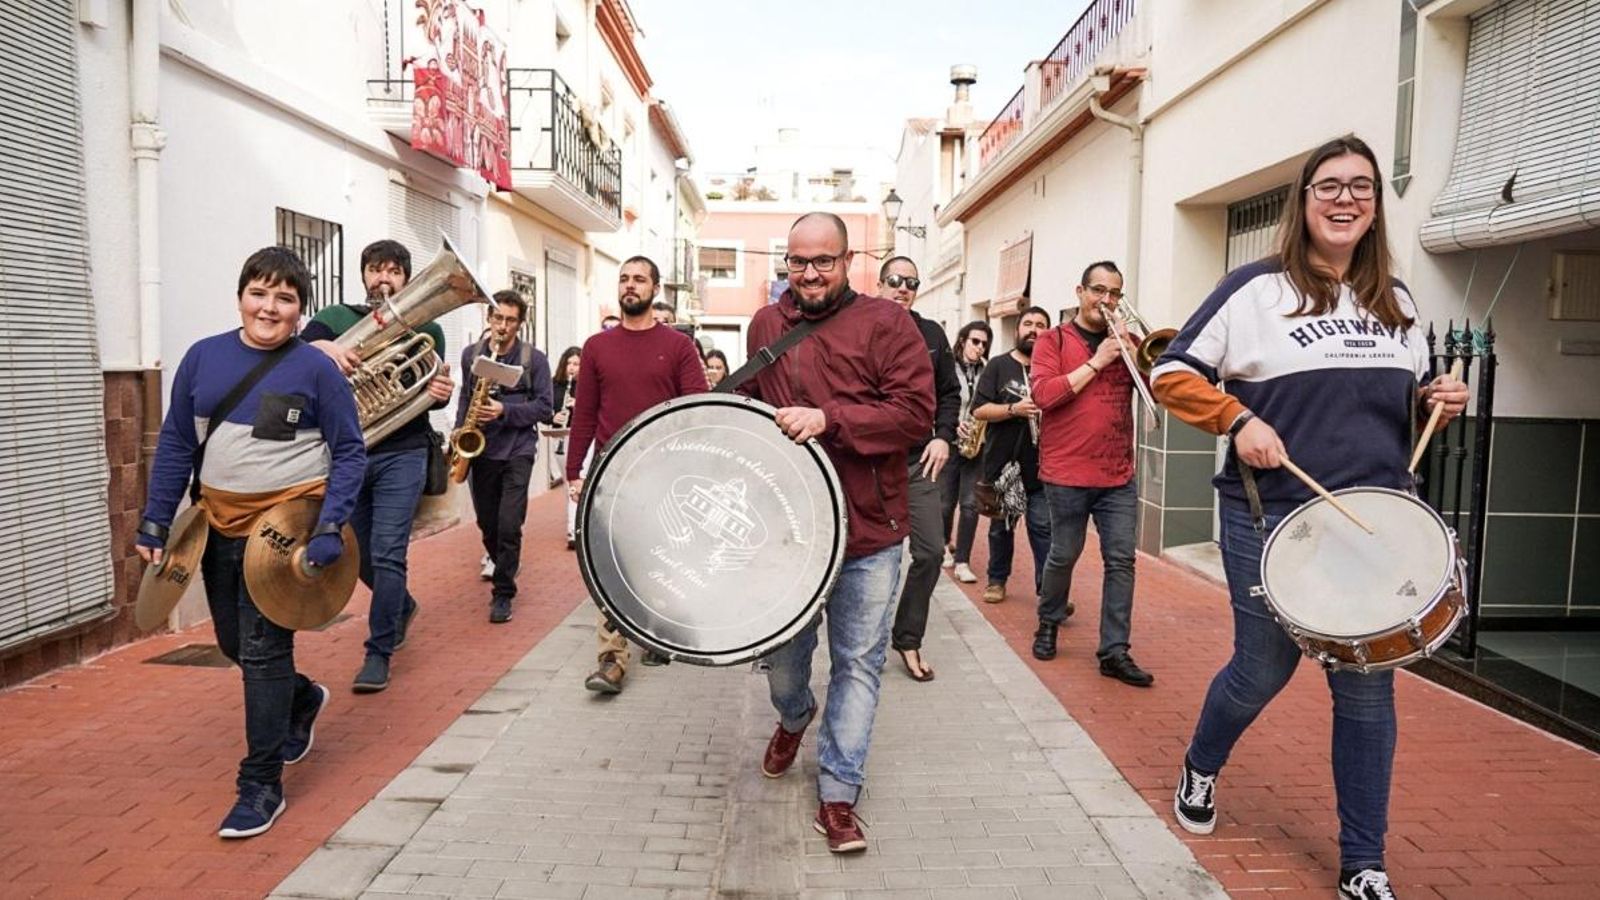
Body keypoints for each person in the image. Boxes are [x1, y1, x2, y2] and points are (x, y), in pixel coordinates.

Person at [1150, 136, 1468, 900]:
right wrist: (1236, 420)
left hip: (1373, 524)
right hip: (1273, 517)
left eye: (1361, 186)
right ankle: (1201, 764)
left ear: (1375, 205)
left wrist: (1438, 404)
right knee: (1263, 668)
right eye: (1329, 186)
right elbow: (1169, 371)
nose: (1345, 199)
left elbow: (1407, 404)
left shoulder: (1399, 301)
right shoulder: (1254, 288)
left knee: (1366, 690)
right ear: (1305, 200)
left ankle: (1365, 863)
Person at [135, 247, 365, 838]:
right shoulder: (202, 358)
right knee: (235, 645)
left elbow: (349, 451)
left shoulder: (317, 370)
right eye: (259, 293)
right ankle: (301, 697)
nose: (269, 307)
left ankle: (260, 783)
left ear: (299, 310)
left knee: (262, 653)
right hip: (216, 527)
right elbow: (178, 445)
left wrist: (331, 525)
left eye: (284, 298)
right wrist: (156, 520)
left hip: (285, 533)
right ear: (241, 296)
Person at [744, 213, 934, 854]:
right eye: (797, 262)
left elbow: (913, 415)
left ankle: (838, 794)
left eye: (822, 261)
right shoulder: (766, 326)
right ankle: (795, 717)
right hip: (793, 535)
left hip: (870, 532)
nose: (809, 273)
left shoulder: (889, 323)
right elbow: (758, 422)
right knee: (784, 665)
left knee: (858, 666)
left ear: (847, 261)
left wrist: (829, 419)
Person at [302, 239, 453, 693]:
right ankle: (400, 606)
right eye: (374, 269)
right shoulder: (332, 319)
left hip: (403, 451)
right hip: (349, 454)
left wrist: (438, 393)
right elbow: (296, 356)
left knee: (388, 551)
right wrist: (325, 350)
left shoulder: (426, 326)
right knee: (358, 553)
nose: (382, 278)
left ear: (406, 279)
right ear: (364, 274)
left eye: (392, 271)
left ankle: (378, 652)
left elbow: (424, 386)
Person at [567, 256, 707, 693]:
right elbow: (585, 413)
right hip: (612, 473)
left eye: (640, 279)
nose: (630, 286)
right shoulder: (596, 347)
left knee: (659, 556)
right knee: (611, 562)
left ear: (655, 288)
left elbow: (697, 410)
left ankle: (656, 628)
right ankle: (612, 658)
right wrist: (574, 471)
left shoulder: (679, 346)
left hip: (664, 473)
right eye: (625, 279)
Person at [1029, 261, 1153, 687]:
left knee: (1121, 560)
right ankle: (1048, 620)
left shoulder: (1129, 341)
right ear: (1080, 291)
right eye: (1098, 290)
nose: (1106, 300)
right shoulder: (1053, 340)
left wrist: (1145, 364)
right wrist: (1099, 361)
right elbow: (1044, 395)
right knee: (1064, 554)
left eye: (1115, 293)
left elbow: (1157, 394)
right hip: (1066, 471)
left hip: (1117, 472)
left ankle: (1114, 651)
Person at [878, 256, 960, 683]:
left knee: (929, 552)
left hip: (917, 464)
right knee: (871, 561)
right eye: (895, 280)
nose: (903, 287)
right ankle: (861, 644)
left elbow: (949, 392)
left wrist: (942, 435)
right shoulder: (859, 326)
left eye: (911, 282)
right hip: (868, 467)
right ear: (879, 283)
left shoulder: (931, 334)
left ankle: (907, 637)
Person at [457, 291, 553, 623]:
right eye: (497, 318)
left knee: (510, 523)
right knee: (488, 522)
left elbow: (545, 407)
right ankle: (502, 560)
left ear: (520, 323)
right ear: (489, 318)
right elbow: (465, 398)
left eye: (510, 320)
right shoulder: (471, 354)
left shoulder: (534, 359)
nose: (502, 326)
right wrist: (459, 433)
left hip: (518, 449)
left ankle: (503, 593)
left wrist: (503, 410)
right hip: (481, 448)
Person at [970, 307, 1054, 606]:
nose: (1034, 330)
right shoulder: (998, 365)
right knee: (1001, 528)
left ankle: (1049, 592)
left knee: (1043, 529)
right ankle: (996, 580)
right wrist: (1013, 410)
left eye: (1041, 325)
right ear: (1017, 330)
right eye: (1028, 324)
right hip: (1003, 464)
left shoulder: (1054, 367)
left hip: (1043, 467)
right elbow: (979, 410)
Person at [941, 321, 992, 584]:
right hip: (949, 442)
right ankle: (943, 544)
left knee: (971, 505)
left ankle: (963, 560)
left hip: (976, 445)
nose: (980, 347)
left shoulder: (987, 370)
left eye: (984, 343)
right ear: (962, 340)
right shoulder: (948, 367)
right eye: (975, 341)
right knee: (946, 502)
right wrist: (951, 424)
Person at [549, 345, 582, 547]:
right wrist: (553, 416)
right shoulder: (555, 385)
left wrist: (578, 406)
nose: (572, 368)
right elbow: (544, 407)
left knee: (575, 481)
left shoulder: (588, 385)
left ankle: (573, 529)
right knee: (569, 484)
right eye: (569, 363)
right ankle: (573, 526)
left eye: (577, 364)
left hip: (578, 437)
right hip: (559, 436)